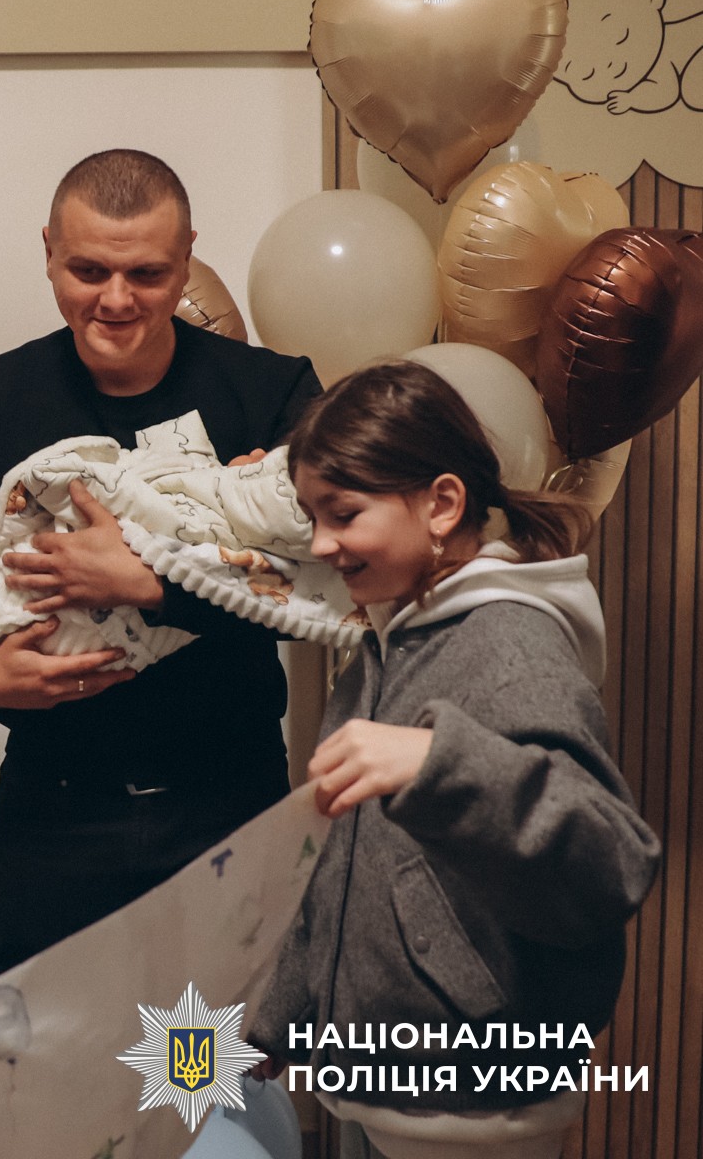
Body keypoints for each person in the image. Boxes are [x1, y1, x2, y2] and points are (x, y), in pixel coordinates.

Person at [0, 149, 322, 985]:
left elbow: (330, 585)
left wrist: (150, 586)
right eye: (87, 270)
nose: (116, 300)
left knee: (203, 1063)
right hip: (52, 815)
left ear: (187, 259)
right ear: (48, 251)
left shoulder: (273, 395)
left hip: (227, 808)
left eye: (147, 274)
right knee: (30, 1060)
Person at [247, 361, 661, 1159]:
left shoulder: (509, 643)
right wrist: (277, 1022)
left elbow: (609, 865)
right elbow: (343, 871)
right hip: (382, 1094)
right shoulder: (387, 645)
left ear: (441, 504)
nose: (322, 544)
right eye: (312, 517)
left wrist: (441, 765)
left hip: (477, 1115)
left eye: (344, 514)